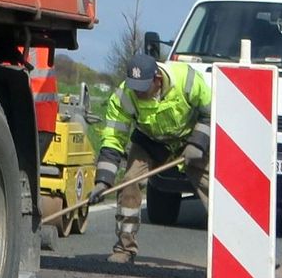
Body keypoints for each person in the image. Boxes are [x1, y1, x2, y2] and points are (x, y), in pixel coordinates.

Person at [89, 52, 212, 263]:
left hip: (189, 140)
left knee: (218, 193)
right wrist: (103, 181)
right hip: (150, 141)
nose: (137, 93)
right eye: (134, 87)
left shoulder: (186, 80)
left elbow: (211, 111)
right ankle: (124, 249)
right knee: (129, 183)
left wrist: (197, 142)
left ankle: (241, 254)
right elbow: (112, 139)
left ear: (157, 79)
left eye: (143, 88)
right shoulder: (123, 96)